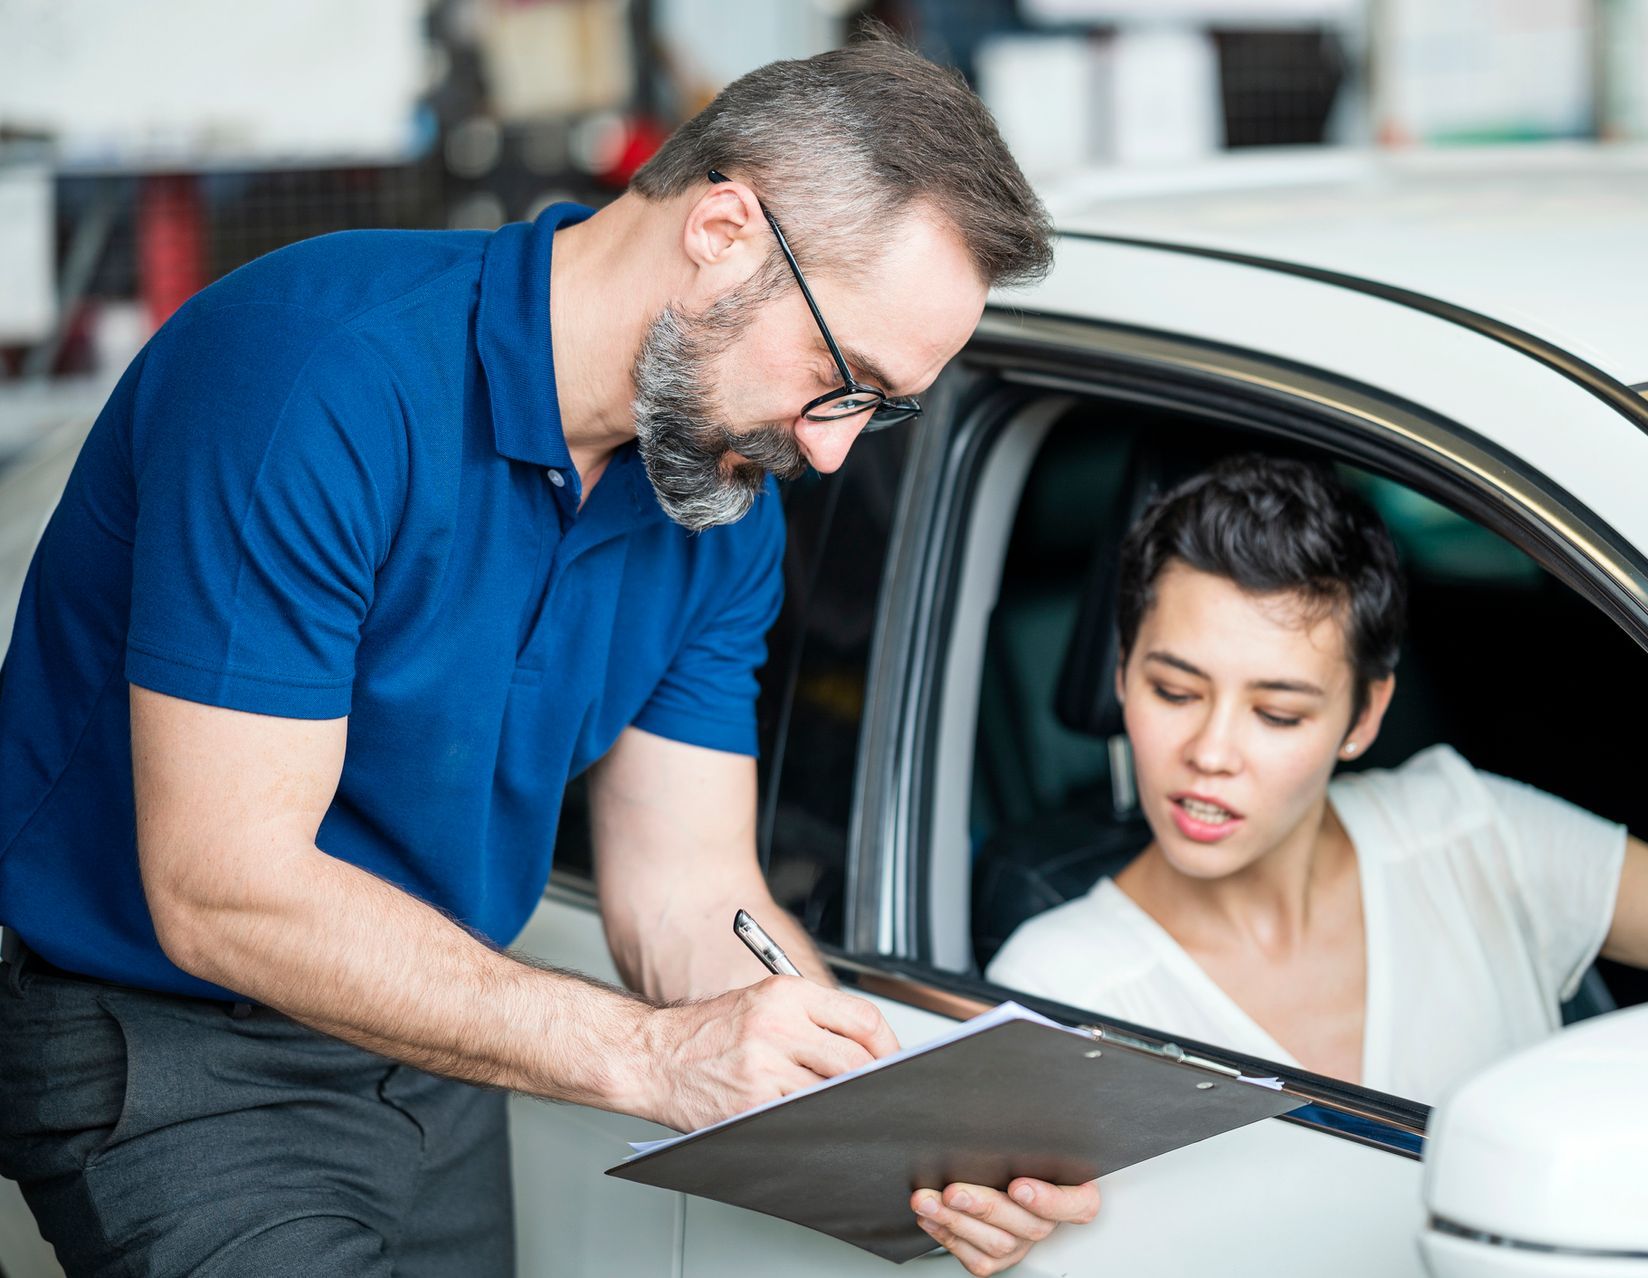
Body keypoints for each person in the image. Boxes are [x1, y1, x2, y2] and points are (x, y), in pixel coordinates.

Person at [0, 34, 1094, 1278]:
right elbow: (223, 892)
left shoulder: (721, 505)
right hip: (180, 1048)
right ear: (726, 229)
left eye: (881, 409)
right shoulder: (319, 377)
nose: (836, 451)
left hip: (439, 1040)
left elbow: (689, 894)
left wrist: (884, 1111)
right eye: (842, 379)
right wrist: (647, 1056)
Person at [987, 454, 1648, 1102]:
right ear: (1121, 678)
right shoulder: (1060, 991)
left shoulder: (1475, 836)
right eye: (1175, 690)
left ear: (1365, 717)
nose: (1212, 751)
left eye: (1279, 713)